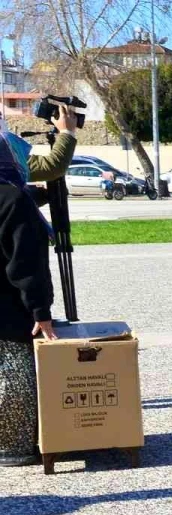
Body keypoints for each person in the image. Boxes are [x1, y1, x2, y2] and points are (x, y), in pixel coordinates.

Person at [0, 128, 57, 467]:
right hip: (9, 313)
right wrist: (41, 312)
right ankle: (14, 446)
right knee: (14, 380)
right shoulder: (13, 200)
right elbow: (26, 266)